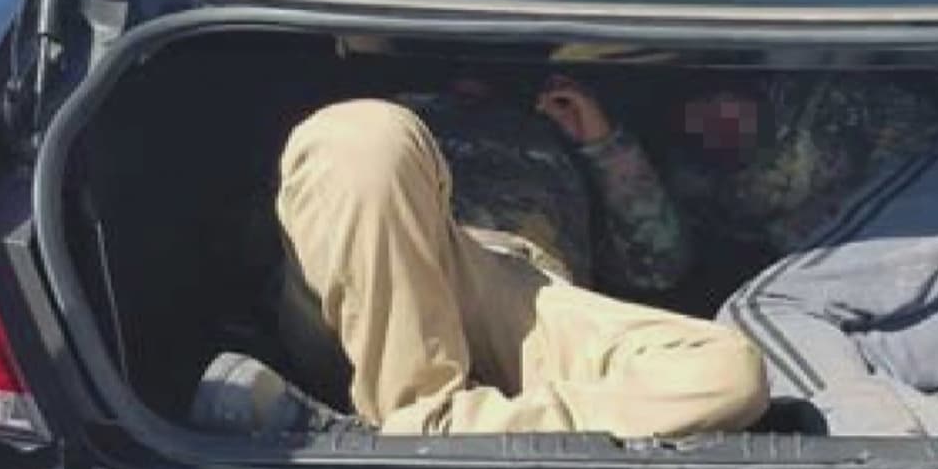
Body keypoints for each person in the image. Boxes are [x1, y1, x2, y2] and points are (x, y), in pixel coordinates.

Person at [189, 77, 768, 437]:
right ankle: (428, 425)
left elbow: (659, 265)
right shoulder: (375, 112)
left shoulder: (555, 129)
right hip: (378, 271)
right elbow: (244, 251)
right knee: (358, 135)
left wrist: (602, 144)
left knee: (725, 372)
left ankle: (407, 436)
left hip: (517, 287)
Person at [536, 71, 938, 436]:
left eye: (718, 101)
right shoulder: (703, 182)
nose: (711, 122)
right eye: (689, 118)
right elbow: (658, 264)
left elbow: (802, 175)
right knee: (813, 371)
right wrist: (608, 146)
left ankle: (876, 455)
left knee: (756, 314)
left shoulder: (821, 102)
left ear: (750, 85)